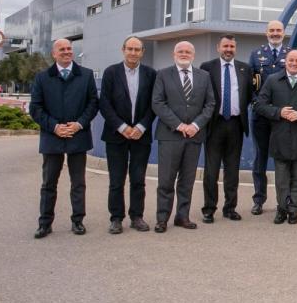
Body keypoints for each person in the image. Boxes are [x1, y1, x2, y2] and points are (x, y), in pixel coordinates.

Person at [30, 38, 99, 239]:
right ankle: (45, 223)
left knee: (78, 183)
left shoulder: (85, 75)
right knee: (49, 183)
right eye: (62, 49)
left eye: (69, 48)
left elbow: (93, 103)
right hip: (53, 138)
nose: (67, 52)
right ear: (54, 54)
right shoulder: (42, 78)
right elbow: (35, 108)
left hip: (78, 136)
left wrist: (79, 124)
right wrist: (55, 127)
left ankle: (78, 221)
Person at [151, 41, 215, 233]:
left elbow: (210, 104)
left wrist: (195, 125)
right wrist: (179, 125)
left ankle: (182, 216)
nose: (184, 54)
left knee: (187, 180)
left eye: (188, 51)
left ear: (193, 55)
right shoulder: (162, 74)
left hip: (194, 136)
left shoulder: (204, 76)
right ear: (174, 54)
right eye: (181, 51)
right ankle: (162, 218)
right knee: (166, 180)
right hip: (170, 135)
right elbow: (158, 103)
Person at [254, 50, 297, 225]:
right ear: (285, 61)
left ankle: (293, 210)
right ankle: (282, 209)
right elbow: (260, 105)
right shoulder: (272, 80)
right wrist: (279, 112)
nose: (293, 63)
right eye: (291, 60)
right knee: (281, 179)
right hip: (280, 136)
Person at [98, 36, 157, 234]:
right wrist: (122, 127)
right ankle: (116, 218)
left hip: (141, 135)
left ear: (142, 52)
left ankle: (137, 216)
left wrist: (141, 126)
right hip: (116, 135)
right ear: (123, 49)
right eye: (130, 49)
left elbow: (154, 104)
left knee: (138, 178)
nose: (133, 53)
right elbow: (104, 103)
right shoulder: (111, 72)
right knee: (116, 180)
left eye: (137, 49)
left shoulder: (150, 74)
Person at [199, 34, 254, 223]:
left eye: (231, 46)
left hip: (236, 124)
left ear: (235, 49)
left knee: (232, 170)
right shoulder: (207, 68)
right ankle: (209, 208)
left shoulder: (245, 68)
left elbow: (248, 95)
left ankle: (230, 208)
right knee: (211, 170)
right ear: (218, 47)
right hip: (215, 124)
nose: (228, 49)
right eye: (225, 46)